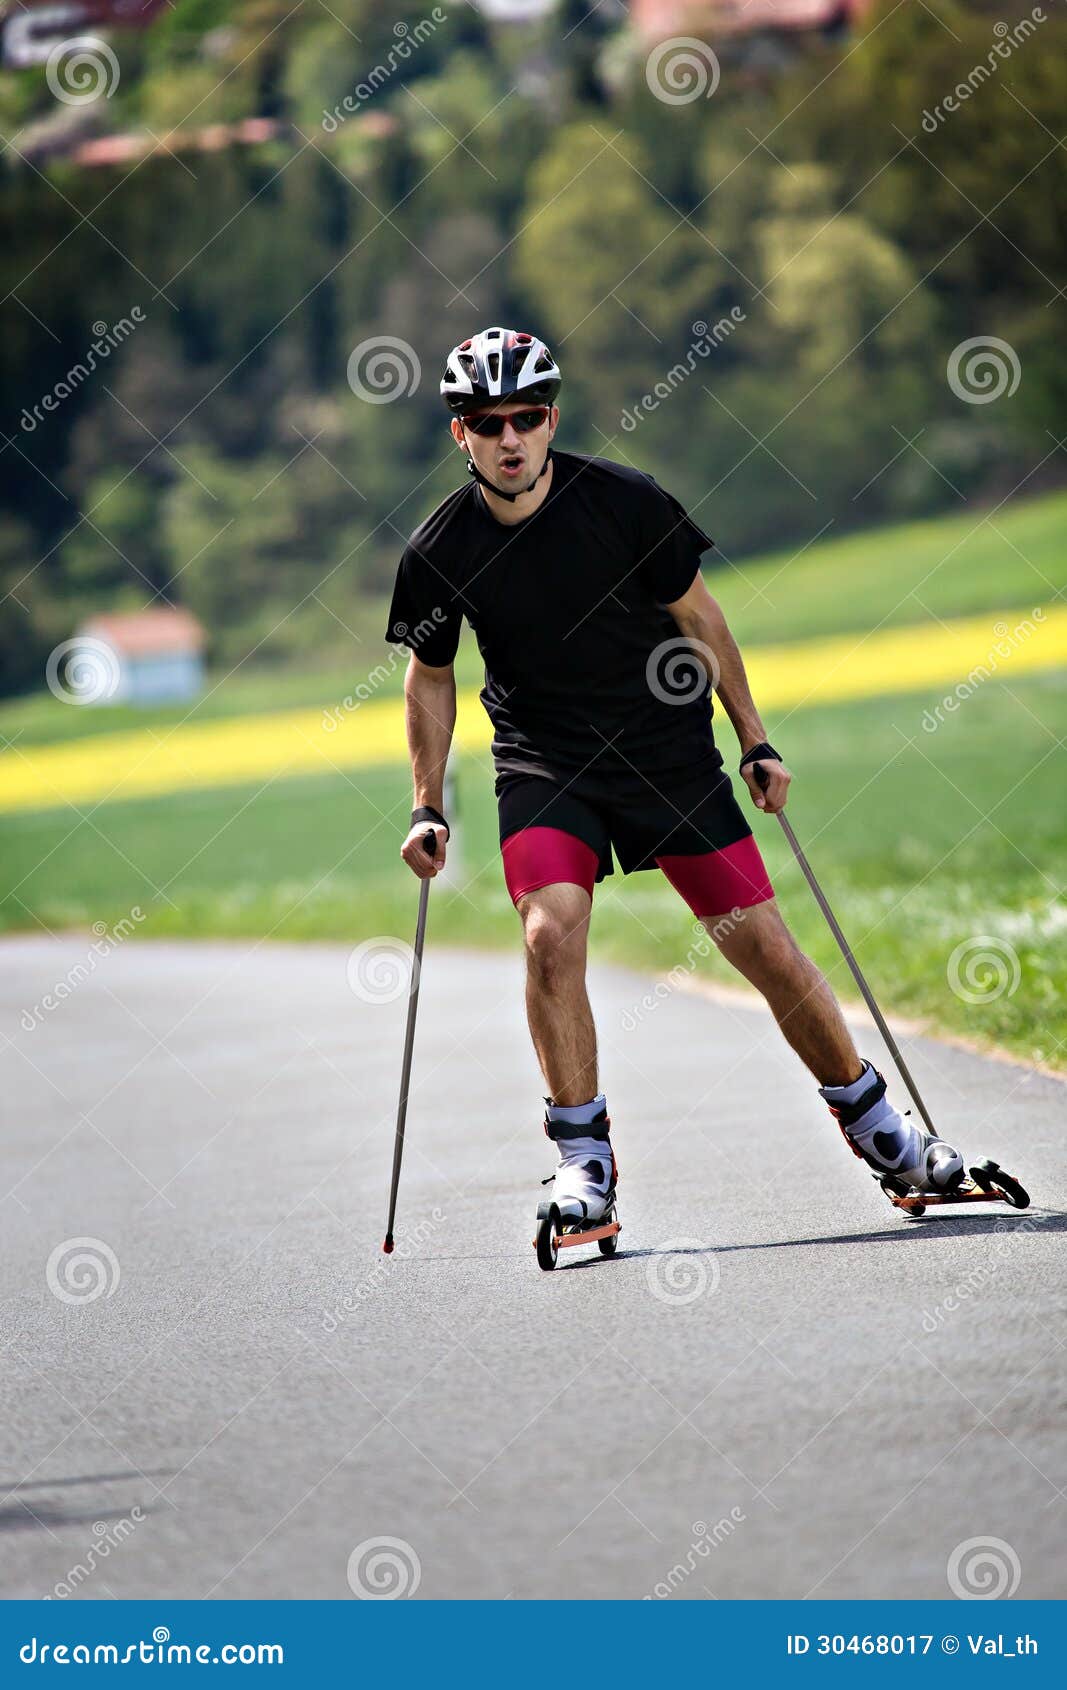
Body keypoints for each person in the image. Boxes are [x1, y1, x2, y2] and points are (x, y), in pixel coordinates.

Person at [386, 326, 963, 1226]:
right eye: (487, 421)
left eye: (527, 417)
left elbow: (699, 616)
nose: (510, 439)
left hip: (666, 755)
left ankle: (883, 1132)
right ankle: (583, 1163)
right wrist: (427, 805)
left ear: (552, 418)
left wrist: (755, 741)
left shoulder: (621, 502)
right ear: (459, 434)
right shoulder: (438, 551)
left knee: (761, 947)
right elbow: (430, 676)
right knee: (550, 931)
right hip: (546, 763)